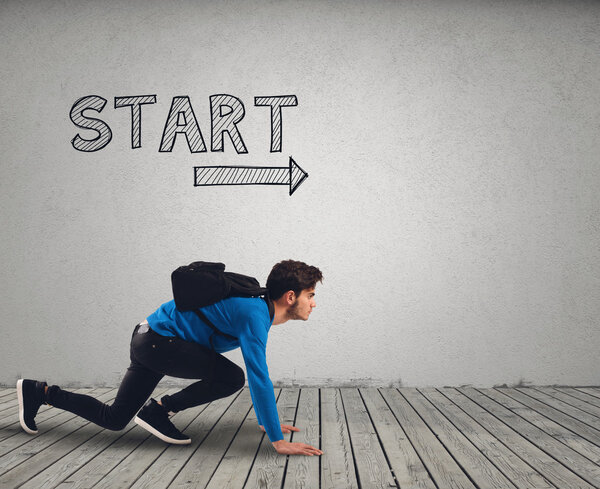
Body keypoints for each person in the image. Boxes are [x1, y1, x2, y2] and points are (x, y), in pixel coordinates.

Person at [17, 259, 323, 457]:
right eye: (310, 295)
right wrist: (276, 438)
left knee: (114, 419)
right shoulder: (254, 314)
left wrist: (266, 421)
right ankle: (159, 410)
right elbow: (259, 376)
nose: (313, 303)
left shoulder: (257, 306)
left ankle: (39, 392)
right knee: (233, 377)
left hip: (148, 338)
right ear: (290, 297)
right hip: (158, 343)